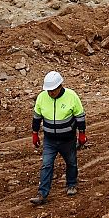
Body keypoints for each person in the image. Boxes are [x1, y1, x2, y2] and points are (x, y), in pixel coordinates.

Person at [30, 71, 86, 206]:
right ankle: (42, 194)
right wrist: (35, 133)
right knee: (46, 165)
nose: (51, 93)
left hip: (68, 139)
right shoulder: (42, 97)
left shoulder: (72, 96)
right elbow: (37, 117)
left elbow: (80, 116)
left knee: (71, 162)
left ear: (60, 86)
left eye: (53, 90)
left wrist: (82, 133)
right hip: (50, 139)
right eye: (48, 91)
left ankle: (71, 184)